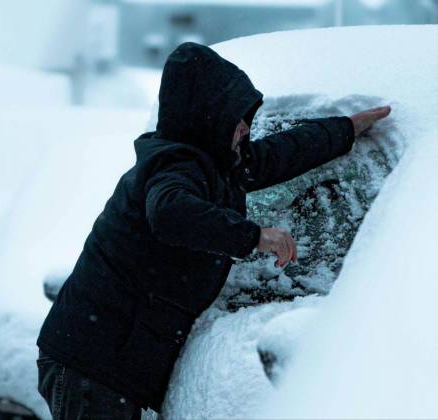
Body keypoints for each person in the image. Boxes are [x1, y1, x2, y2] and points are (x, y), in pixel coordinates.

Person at [36, 42, 391, 419]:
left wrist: (345, 129)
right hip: (91, 368)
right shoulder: (175, 165)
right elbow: (171, 213)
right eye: (236, 117)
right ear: (209, 117)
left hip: (105, 365)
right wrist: (254, 236)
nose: (245, 128)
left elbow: (279, 155)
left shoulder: (215, 164)